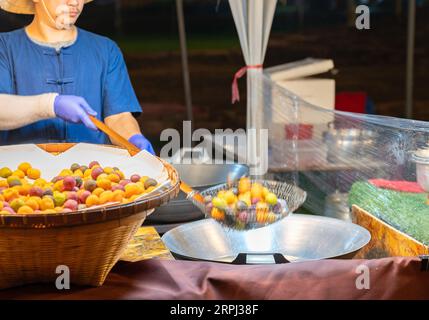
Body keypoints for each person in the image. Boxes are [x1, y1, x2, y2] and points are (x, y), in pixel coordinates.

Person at [0, 0, 155, 154]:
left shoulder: (106, 50)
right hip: (21, 174)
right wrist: (49, 105)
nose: (75, 2)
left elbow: (118, 116)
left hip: (93, 173)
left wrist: (133, 137)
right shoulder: (4, 48)